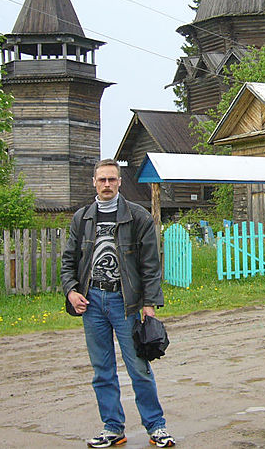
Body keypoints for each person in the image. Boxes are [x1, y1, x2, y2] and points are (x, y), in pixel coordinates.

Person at [62, 159, 176, 448]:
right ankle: (113, 428)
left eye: (112, 179)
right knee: (102, 369)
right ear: (94, 182)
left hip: (125, 302)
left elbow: (151, 265)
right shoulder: (82, 218)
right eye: (102, 180)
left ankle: (156, 427)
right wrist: (71, 290)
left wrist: (149, 304)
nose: (107, 185)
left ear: (120, 182)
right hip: (92, 302)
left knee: (138, 367)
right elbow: (68, 262)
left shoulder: (138, 217)